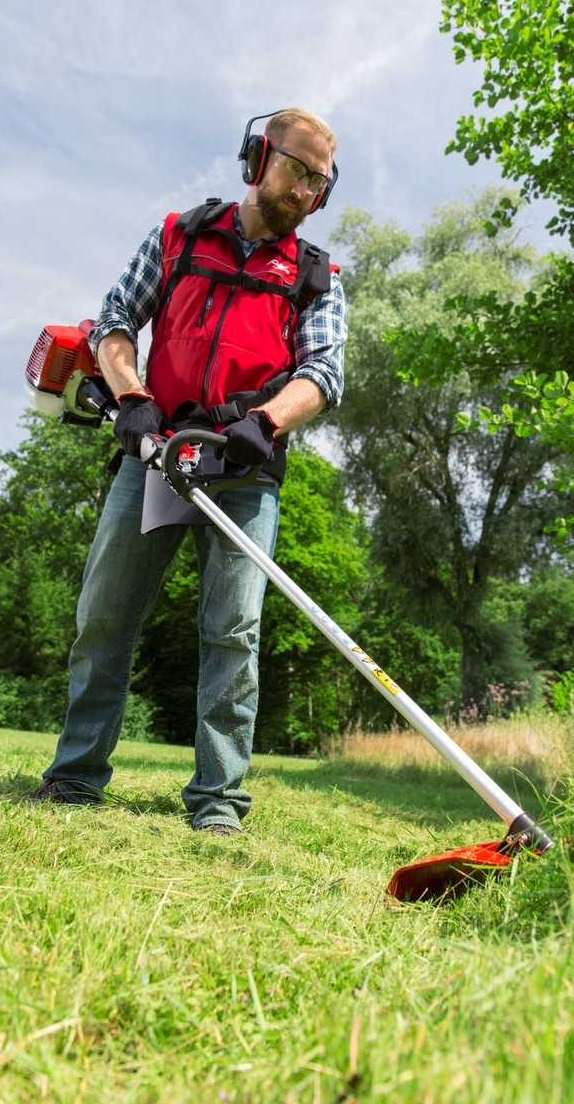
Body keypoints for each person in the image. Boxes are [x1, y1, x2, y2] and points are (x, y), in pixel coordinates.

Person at [30, 107, 346, 835]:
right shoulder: (178, 236)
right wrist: (132, 397)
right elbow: (113, 320)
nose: (304, 190)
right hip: (157, 454)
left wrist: (262, 423)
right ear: (257, 155)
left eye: (319, 182)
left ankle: (217, 802)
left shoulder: (314, 275)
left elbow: (324, 373)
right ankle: (76, 776)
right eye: (295, 168)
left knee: (232, 631)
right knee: (104, 617)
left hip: (242, 469)